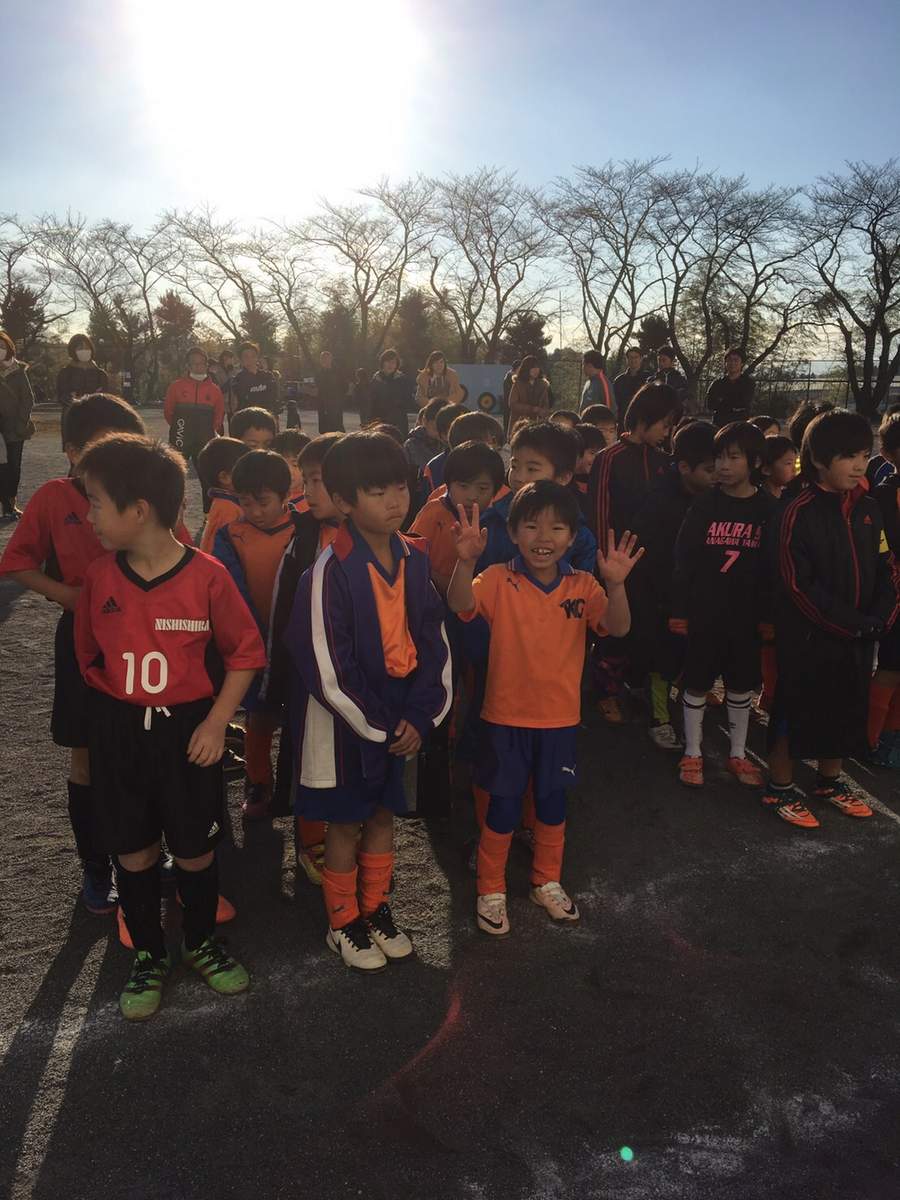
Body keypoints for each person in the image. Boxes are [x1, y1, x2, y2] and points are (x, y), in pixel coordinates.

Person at [74, 434, 265, 1020]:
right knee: (132, 852)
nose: (89, 516)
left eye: (97, 503)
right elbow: (89, 659)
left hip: (189, 734)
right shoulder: (99, 577)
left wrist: (216, 722)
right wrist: (111, 732)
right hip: (121, 734)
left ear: (138, 510)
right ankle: (149, 954)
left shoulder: (207, 576)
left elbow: (245, 654)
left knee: (195, 850)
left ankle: (200, 942)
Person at [285, 431, 453, 971]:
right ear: (344, 500)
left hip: (401, 717)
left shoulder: (416, 559)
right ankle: (342, 923)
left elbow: (435, 642)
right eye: (377, 492)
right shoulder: (327, 572)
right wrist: (380, 726)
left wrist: (421, 716)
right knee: (345, 822)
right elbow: (325, 666)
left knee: (384, 815)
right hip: (347, 721)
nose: (394, 501)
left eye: (400, 487)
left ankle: (375, 907)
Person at [448, 480, 641, 936]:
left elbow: (618, 627)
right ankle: (490, 888)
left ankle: (546, 881)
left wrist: (616, 586)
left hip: (560, 721)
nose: (544, 537)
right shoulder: (497, 578)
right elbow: (460, 605)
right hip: (504, 718)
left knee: (553, 804)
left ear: (572, 537)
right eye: (532, 526)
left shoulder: (584, 584)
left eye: (557, 528)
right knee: (503, 806)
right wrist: (466, 560)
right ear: (513, 532)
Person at [0, 393, 145, 913]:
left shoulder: (145, 494)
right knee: (84, 755)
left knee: (145, 747)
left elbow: (180, 553)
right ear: (71, 452)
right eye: (100, 447)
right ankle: (96, 865)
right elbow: (16, 562)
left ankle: (147, 850)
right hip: (83, 641)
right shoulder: (53, 497)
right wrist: (67, 595)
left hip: (145, 639)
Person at [764, 411, 899, 828]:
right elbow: (797, 584)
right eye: (848, 456)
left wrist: (881, 615)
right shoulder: (796, 510)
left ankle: (830, 780)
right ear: (819, 460)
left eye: (864, 455)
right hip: (808, 638)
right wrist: (850, 622)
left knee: (845, 707)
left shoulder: (868, 509)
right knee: (794, 709)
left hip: (857, 637)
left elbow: (886, 567)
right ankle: (780, 786)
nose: (859, 465)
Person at [670, 422, 775, 788]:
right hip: (705, 613)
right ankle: (693, 752)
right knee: (697, 682)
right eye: (719, 458)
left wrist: (769, 615)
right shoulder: (705, 504)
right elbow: (684, 559)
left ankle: (738, 753)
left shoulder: (769, 509)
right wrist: (680, 609)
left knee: (741, 686)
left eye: (733, 457)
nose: (723, 466)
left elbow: (773, 568)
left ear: (756, 462)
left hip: (746, 617)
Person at [264, 432, 346, 881]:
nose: (308, 491)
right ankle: (311, 840)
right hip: (309, 678)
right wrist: (276, 680)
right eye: (306, 479)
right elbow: (282, 611)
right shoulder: (303, 538)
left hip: (356, 677)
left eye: (318, 480)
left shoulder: (383, 537)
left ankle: (346, 835)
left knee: (351, 757)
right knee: (308, 758)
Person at [587, 382, 680, 724]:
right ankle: (606, 692)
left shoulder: (665, 462)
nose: (667, 432)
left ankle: (636, 685)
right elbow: (599, 513)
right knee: (613, 632)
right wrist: (606, 565)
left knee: (646, 628)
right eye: (665, 424)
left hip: (654, 564)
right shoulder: (609, 458)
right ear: (644, 418)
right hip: (617, 565)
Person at [213, 451, 296, 821]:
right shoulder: (231, 535)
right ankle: (258, 781)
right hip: (254, 644)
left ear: (286, 495)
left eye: (263, 502)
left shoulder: (306, 530)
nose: (255, 511)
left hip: (296, 644)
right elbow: (229, 590)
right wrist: (252, 638)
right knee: (259, 718)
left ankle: (298, 785)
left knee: (299, 718)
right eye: (246, 503)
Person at [630, 421, 717, 750]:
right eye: (709, 469)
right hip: (662, 592)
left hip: (700, 592)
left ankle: (688, 699)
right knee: (663, 657)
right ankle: (660, 716)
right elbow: (649, 551)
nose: (718, 474)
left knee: (692, 652)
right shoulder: (660, 500)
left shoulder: (718, 496)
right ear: (683, 467)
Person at [479, 421, 596, 573]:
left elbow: (584, 584)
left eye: (532, 469)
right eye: (514, 466)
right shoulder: (492, 522)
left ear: (563, 477)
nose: (519, 477)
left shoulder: (578, 534)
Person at [411, 441, 506, 594]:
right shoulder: (433, 513)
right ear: (448, 485)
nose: (472, 496)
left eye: (482, 488)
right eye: (463, 486)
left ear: (496, 490)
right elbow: (411, 560)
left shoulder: (496, 522)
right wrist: (437, 579)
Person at [163, 348, 225, 511]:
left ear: (206, 365)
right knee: (175, 476)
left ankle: (208, 515)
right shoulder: (176, 387)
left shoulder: (215, 390)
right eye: (194, 363)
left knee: (207, 477)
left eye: (201, 363)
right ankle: (175, 513)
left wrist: (211, 430)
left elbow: (219, 414)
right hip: (181, 436)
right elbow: (168, 412)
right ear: (188, 366)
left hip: (205, 438)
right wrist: (179, 428)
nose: (198, 367)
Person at [0, 330, 36, 520]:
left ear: (9, 348)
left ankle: (11, 502)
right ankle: (7, 507)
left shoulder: (19, 371)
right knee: (2, 467)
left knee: (14, 466)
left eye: (2, 346)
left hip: (16, 428)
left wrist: (21, 422)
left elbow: (28, 399)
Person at [56, 334, 108, 448]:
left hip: (96, 419)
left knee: (95, 452)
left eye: (87, 347)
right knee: (75, 452)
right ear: (73, 350)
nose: (84, 350)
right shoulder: (65, 373)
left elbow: (107, 398)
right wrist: (73, 399)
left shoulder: (100, 374)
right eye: (80, 347)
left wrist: (97, 397)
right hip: (73, 418)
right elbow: (61, 396)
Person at [196, 437, 246, 554]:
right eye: (247, 469)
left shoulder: (227, 502)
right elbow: (222, 551)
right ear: (225, 477)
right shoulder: (227, 508)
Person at [418, 403, 469, 499]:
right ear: (443, 435)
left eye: (469, 428)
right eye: (457, 429)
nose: (466, 434)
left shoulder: (488, 462)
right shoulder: (434, 467)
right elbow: (427, 503)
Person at [369, 348, 416, 438]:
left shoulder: (402, 380)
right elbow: (371, 404)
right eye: (388, 361)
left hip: (398, 422)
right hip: (379, 421)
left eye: (393, 362)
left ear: (397, 364)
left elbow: (408, 400)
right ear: (382, 362)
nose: (390, 365)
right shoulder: (375, 380)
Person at [707, 347, 755, 428]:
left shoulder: (748, 383)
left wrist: (722, 401)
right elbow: (710, 405)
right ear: (725, 363)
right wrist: (733, 405)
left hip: (741, 424)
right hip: (719, 424)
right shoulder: (717, 383)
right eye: (729, 360)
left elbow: (744, 403)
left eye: (736, 360)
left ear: (742, 363)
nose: (732, 363)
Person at [571, 423, 610, 523]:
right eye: (592, 453)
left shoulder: (603, 482)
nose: (597, 458)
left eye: (600, 453)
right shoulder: (565, 485)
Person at [232, 341, 280, 419]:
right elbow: (235, 405)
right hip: (247, 420)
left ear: (257, 358)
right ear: (241, 359)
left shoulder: (268, 376)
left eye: (253, 356)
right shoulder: (238, 380)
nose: (250, 359)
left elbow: (275, 400)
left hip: (267, 419)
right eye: (246, 356)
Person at [507, 356, 552, 428]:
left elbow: (546, 404)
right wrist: (532, 409)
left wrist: (543, 411)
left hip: (537, 423)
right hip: (519, 423)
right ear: (526, 369)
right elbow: (512, 404)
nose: (536, 370)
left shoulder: (542, 385)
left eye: (537, 367)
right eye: (533, 368)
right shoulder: (518, 384)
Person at [404, 397, 448, 470]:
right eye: (435, 429)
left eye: (442, 429)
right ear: (424, 421)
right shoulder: (412, 445)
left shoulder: (448, 443)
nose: (439, 433)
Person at [272, 428, 311, 505]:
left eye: (295, 465)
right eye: (282, 464)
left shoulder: (313, 501)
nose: (289, 471)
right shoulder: (268, 500)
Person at [314, 350, 347, 434]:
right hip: (323, 403)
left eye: (326, 358)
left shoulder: (338, 372)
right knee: (324, 428)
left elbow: (344, 386)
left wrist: (339, 398)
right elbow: (318, 387)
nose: (324, 361)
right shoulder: (319, 373)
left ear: (331, 359)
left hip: (335, 403)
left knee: (337, 426)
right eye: (322, 359)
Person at [760, 435, 797, 501]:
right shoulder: (759, 501)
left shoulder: (792, 498)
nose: (794, 469)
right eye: (789, 463)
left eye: (795, 463)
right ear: (766, 470)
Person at [614, 347, 649, 415]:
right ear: (626, 359)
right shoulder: (619, 380)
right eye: (630, 357)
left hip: (643, 417)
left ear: (641, 359)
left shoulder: (649, 378)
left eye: (636, 357)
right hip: (624, 417)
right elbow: (616, 403)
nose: (633, 360)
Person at [580, 350, 615, 416]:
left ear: (589, 365)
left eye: (583, 364)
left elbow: (610, 410)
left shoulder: (603, 383)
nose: (582, 367)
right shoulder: (588, 382)